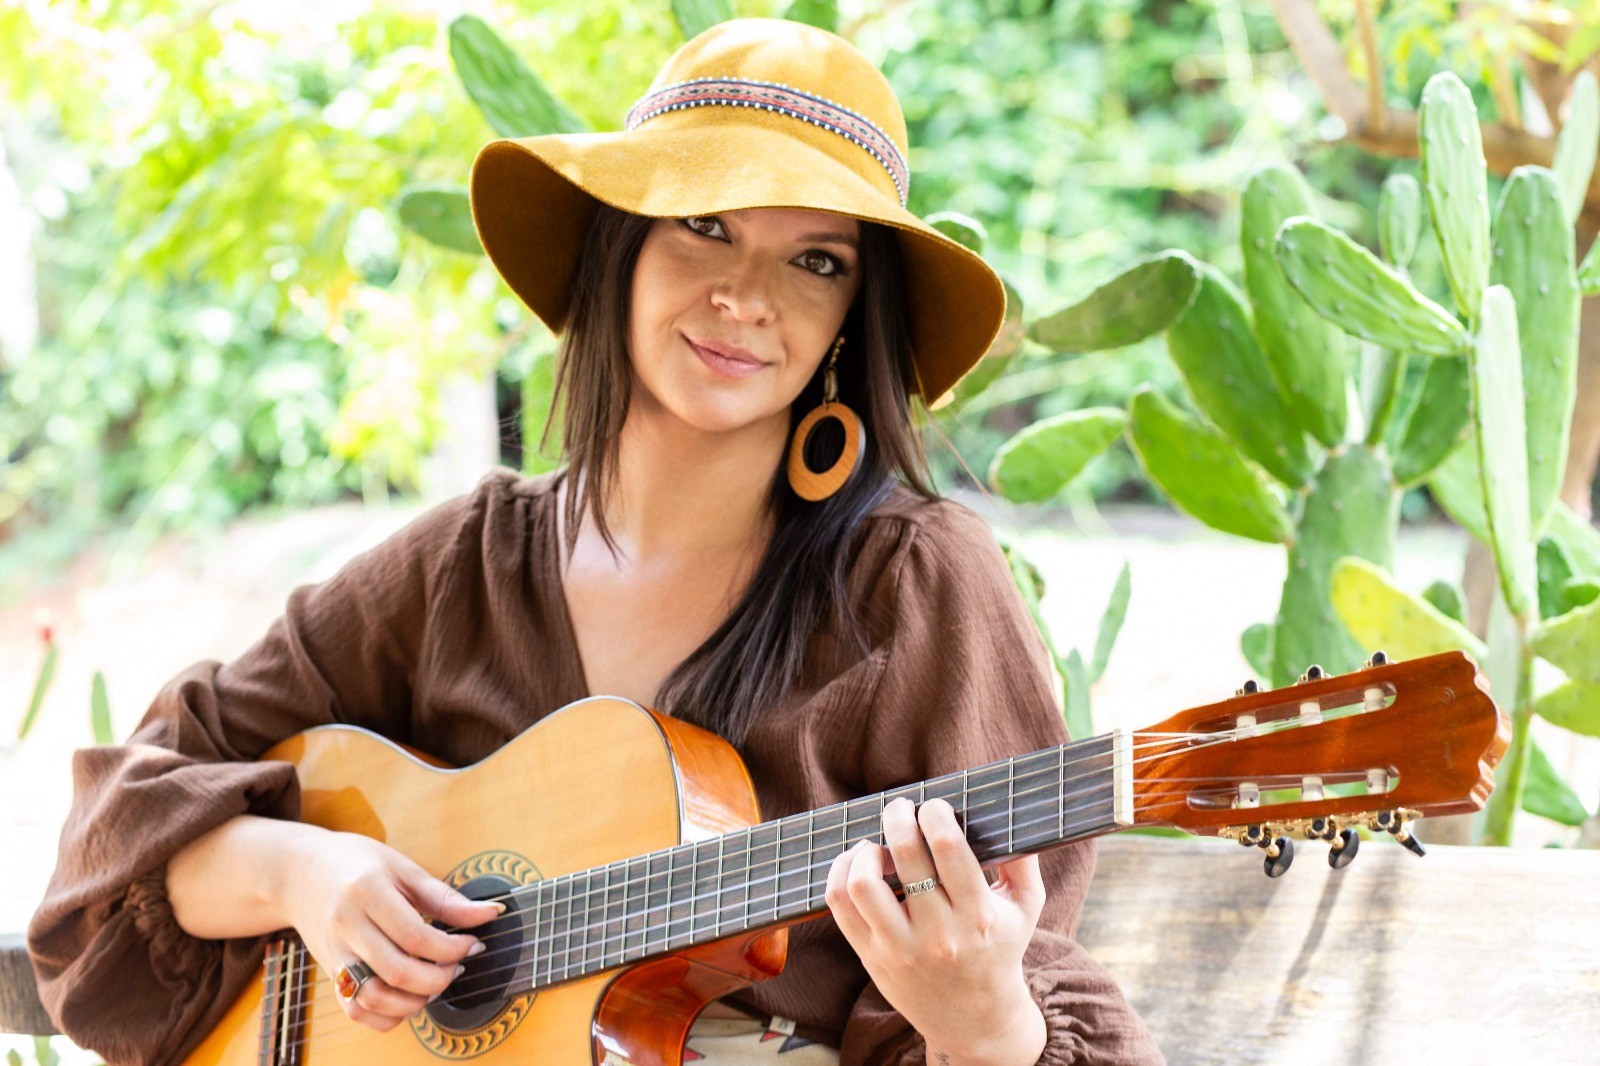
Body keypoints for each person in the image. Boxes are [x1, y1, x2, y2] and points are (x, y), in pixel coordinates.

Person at [27, 17, 1164, 1066]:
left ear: (845, 326)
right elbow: (127, 822)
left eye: (816, 260)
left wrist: (986, 1022)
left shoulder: (914, 585)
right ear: (618, 246)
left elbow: (1027, 967)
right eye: (704, 224)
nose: (745, 296)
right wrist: (306, 871)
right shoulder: (459, 566)